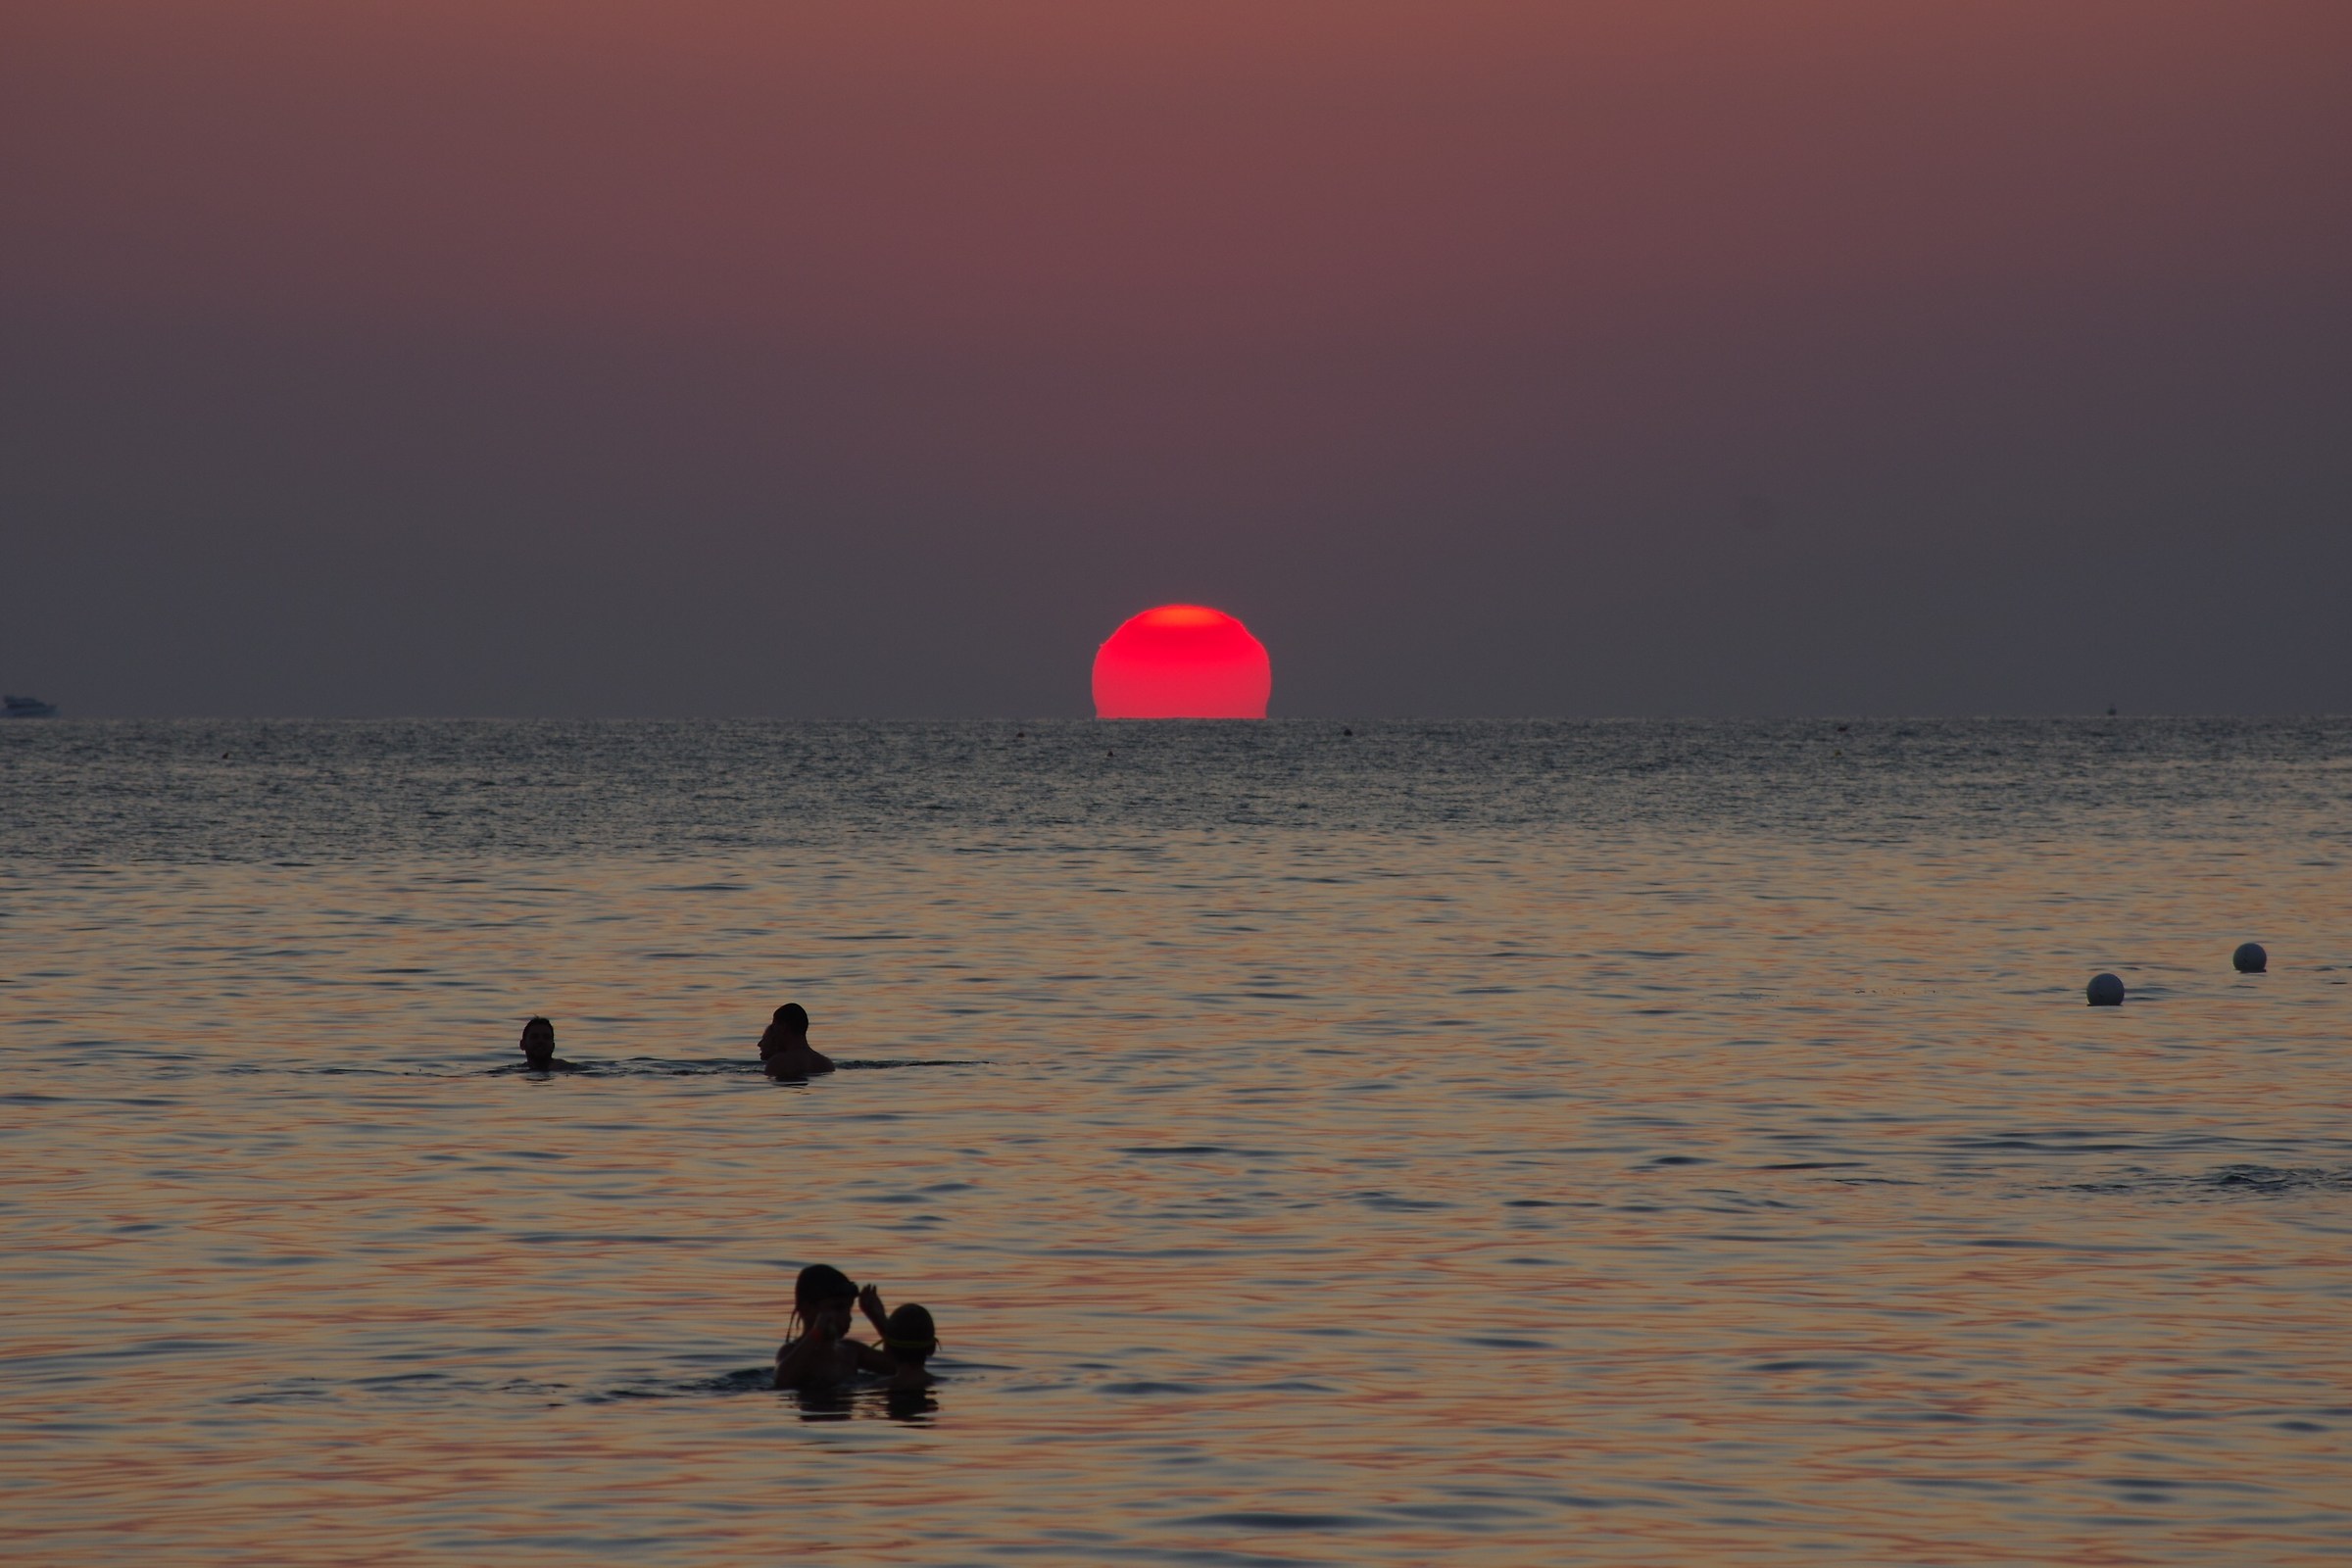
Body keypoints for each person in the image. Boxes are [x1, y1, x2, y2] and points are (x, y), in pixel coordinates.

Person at [773, 1264, 890, 1390]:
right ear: (806, 1309)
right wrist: (816, 1332)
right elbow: (782, 1381)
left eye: (849, 1309)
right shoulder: (790, 1351)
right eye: (837, 1308)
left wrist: (879, 1320)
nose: (848, 1318)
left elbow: (899, 1367)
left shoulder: (850, 1351)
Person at [757, 1004, 835, 1078]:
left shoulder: (779, 1062)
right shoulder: (827, 1064)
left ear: (783, 1027)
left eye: (774, 1026)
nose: (773, 1032)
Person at [514, 1016, 583, 1073]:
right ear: (522, 1044)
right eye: (534, 1037)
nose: (540, 1041)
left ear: (553, 1046)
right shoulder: (517, 1070)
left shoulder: (568, 1069)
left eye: (546, 1037)